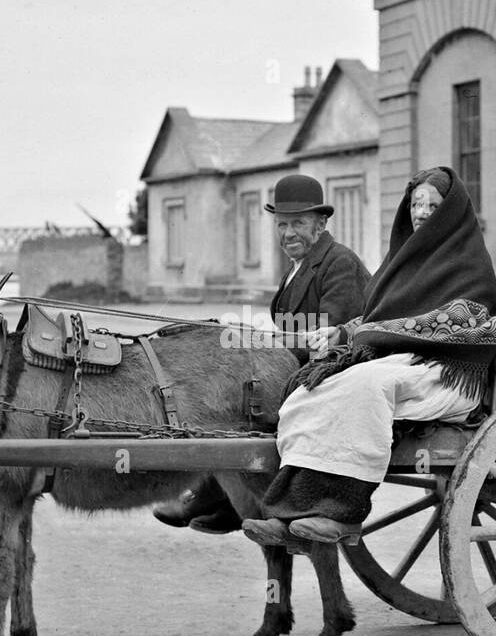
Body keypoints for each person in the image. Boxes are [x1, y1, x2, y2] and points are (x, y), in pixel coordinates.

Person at [242, 166, 496, 551]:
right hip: (404, 366)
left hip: (446, 374)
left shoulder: (468, 262)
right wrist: (344, 332)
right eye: (416, 204)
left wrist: (369, 334)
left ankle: (344, 514)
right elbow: (377, 316)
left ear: (449, 212)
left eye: (433, 205)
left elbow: (476, 326)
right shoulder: (405, 259)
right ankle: (291, 512)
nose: (422, 212)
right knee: (312, 388)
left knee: (365, 387)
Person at [153, 173, 370, 534]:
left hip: (329, 375)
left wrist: (261, 340)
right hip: (292, 369)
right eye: (281, 225)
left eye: (298, 223)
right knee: (224, 386)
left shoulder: (338, 263)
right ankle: (227, 498)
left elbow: (325, 336)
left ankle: (221, 498)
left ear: (321, 223)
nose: (287, 234)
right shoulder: (297, 268)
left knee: (232, 400)